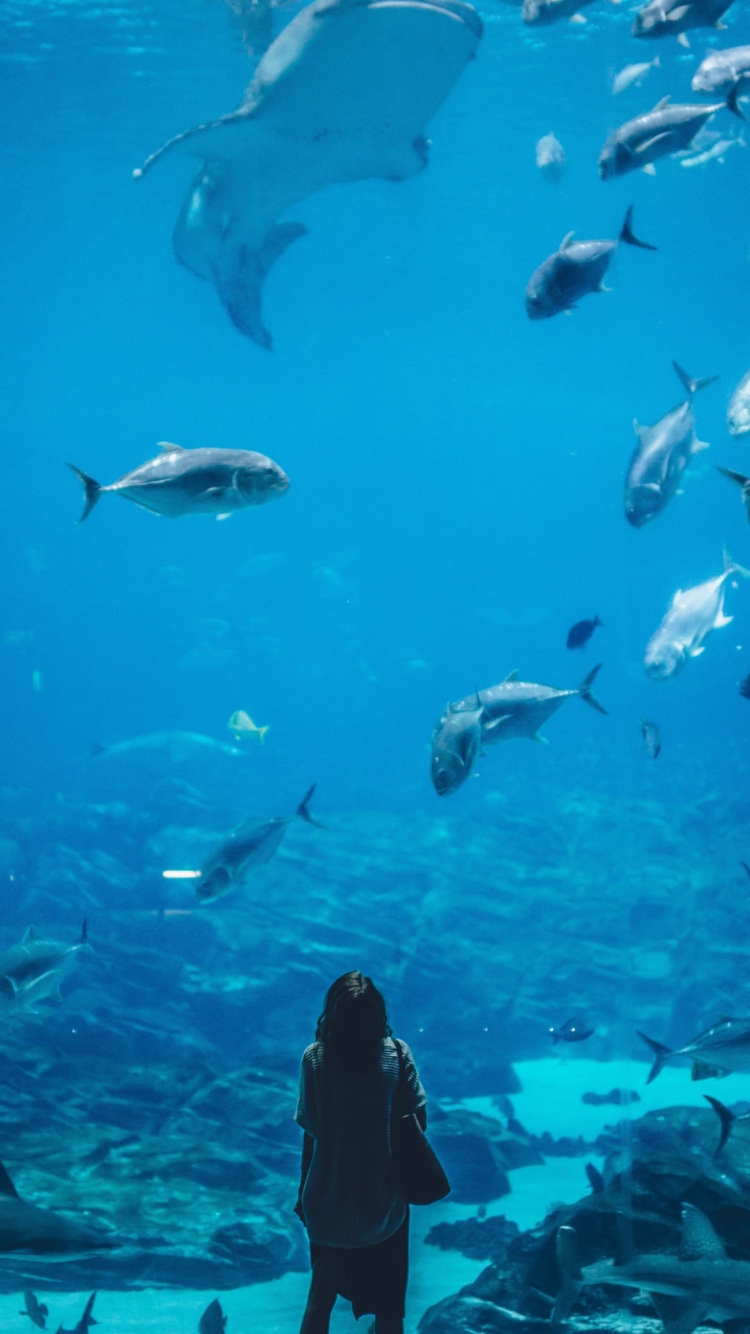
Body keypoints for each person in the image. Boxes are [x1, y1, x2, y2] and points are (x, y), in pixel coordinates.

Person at [294, 971, 427, 1334]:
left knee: (319, 1301)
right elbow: (420, 1122)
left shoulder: (315, 1059)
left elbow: (311, 1131)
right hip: (384, 1202)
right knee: (388, 1310)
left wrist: (301, 1195)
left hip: (327, 1199)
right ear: (377, 1013)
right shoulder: (397, 1054)